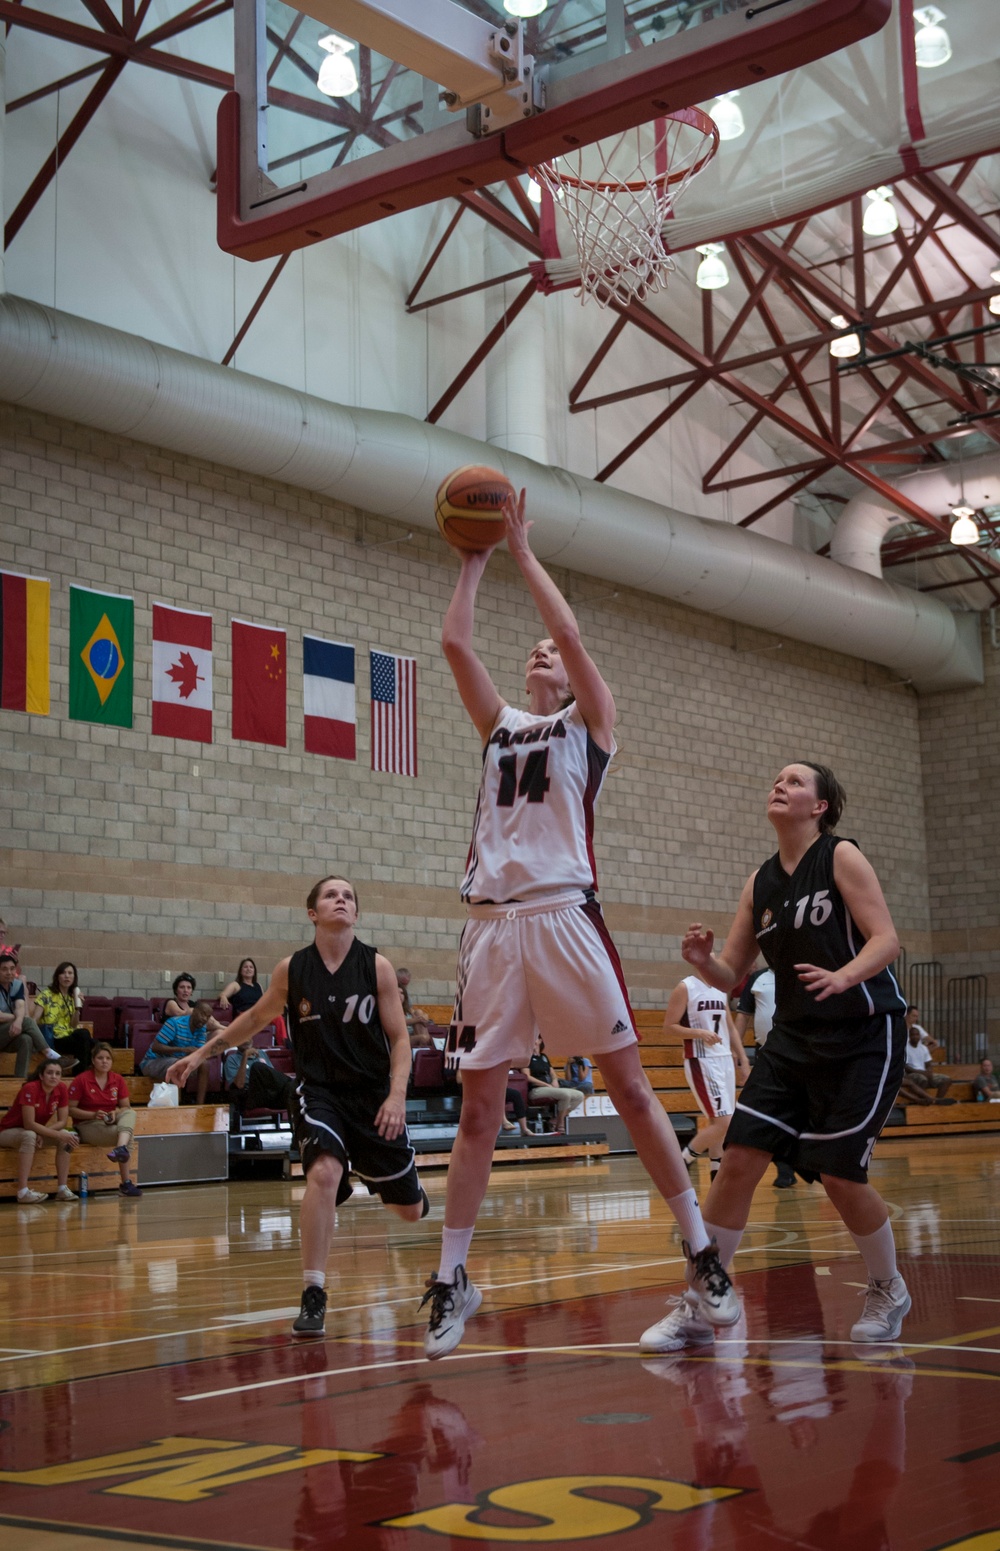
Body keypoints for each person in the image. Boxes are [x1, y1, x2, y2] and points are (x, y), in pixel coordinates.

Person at [421, 489, 739, 1361]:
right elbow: (453, 642)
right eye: (534, 654)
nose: (539, 655)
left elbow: (572, 641)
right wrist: (472, 556)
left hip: (566, 916)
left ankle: (702, 1252)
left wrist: (523, 550)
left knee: (632, 1089)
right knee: (479, 1109)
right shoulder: (499, 727)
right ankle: (452, 1276)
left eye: (549, 655)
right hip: (490, 929)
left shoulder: (588, 725)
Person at [650, 761, 910, 1354]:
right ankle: (699, 1303)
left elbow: (886, 939)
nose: (780, 785)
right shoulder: (760, 881)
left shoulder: (841, 856)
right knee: (739, 1157)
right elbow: (731, 974)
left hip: (863, 1033)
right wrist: (702, 962)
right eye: (778, 780)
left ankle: (887, 1287)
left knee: (842, 1175)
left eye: (795, 782)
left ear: (820, 806)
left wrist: (845, 977)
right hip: (791, 1039)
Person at [164, 875, 428, 1338]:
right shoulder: (292, 969)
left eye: (348, 896)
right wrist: (201, 1053)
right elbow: (253, 1018)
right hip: (319, 1091)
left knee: (409, 1211)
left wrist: (397, 1094)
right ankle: (314, 1293)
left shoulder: (378, 967)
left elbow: (401, 1038)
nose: (341, 900)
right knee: (323, 1174)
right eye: (331, 895)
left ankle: (370, 1173)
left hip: (372, 1095)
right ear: (313, 913)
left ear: (357, 913)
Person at [665, 973, 751, 1181]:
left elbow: (729, 1027)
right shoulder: (685, 987)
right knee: (725, 1123)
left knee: (718, 1123)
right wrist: (699, 1033)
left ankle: (716, 1175)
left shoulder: (721, 987)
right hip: (702, 1059)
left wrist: (743, 1059)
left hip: (724, 1060)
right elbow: (669, 1027)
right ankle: (681, 1162)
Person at [734, 964, 796, 1188]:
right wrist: (735, 1051)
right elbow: (743, 1015)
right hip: (766, 1054)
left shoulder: (799, 973)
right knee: (769, 1111)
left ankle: (796, 1159)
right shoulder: (758, 978)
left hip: (799, 1052)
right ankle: (784, 1166)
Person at [0, 1056, 79, 1202]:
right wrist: (42, 1132)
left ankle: (62, 1189)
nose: (54, 1076)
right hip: (7, 1131)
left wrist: (44, 1133)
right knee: (29, 1135)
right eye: (50, 1073)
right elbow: (29, 1124)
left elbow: (62, 1121)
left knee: (67, 1136)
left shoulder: (61, 1088)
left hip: (34, 1130)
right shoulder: (30, 1088)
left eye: (57, 1073)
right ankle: (23, 1192)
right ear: (41, 1075)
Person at [67, 1042, 142, 1196]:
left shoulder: (117, 1079)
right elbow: (70, 1110)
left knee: (130, 1113)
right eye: (100, 1058)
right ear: (93, 1060)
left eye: (108, 1058)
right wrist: (93, 1115)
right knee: (128, 1135)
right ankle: (126, 1184)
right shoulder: (81, 1080)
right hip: (87, 1124)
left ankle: (120, 1149)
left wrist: (115, 1112)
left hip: (109, 1121)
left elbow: (125, 1107)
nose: (104, 1061)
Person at [0, 951, 68, 1078]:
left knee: (26, 1039)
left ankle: (20, 1080)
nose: (9, 972)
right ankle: (49, 1053)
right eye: (4, 969)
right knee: (27, 1021)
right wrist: (18, 1019)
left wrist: (18, 1021)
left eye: (12, 969)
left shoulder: (16, 985)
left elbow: (20, 1006)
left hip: (7, 1033)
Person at [140, 1000, 216, 1103]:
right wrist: (183, 1049)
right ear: (194, 1011)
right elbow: (155, 1047)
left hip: (177, 1061)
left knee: (204, 1064)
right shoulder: (175, 1023)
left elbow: (198, 1052)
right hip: (152, 1062)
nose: (204, 1019)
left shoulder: (201, 1028)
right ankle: (175, 1106)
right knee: (177, 1064)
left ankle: (199, 1106)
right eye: (202, 1014)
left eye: (207, 1016)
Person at [33, 962, 93, 1074]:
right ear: (57, 976)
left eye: (70, 973)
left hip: (68, 1034)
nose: (67, 976)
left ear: (74, 977)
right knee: (85, 1037)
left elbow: (73, 1025)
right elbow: (35, 1019)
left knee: (97, 1045)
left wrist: (77, 1007)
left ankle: (80, 1075)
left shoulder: (72, 997)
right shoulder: (46, 994)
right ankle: (80, 1077)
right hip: (53, 1036)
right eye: (63, 973)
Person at [519, 1036, 584, 1133]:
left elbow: (553, 1074)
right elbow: (527, 1076)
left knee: (579, 1095)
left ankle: (555, 1120)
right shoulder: (526, 1057)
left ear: (540, 1041)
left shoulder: (544, 1057)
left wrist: (554, 1081)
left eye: (535, 1038)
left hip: (550, 1088)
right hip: (536, 1090)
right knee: (565, 1095)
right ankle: (560, 1123)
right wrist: (545, 1084)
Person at [898, 1023, 952, 1105]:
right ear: (909, 1036)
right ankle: (922, 1102)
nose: (915, 1036)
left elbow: (928, 1064)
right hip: (912, 1074)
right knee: (922, 1079)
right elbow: (906, 1067)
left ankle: (938, 1101)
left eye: (917, 1034)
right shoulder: (905, 1048)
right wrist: (924, 1073)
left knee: (946, 1079)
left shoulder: (923, 1048)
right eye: (913, 1035)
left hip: (924, 1073)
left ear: (919, 1036)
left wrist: (929, 1072)